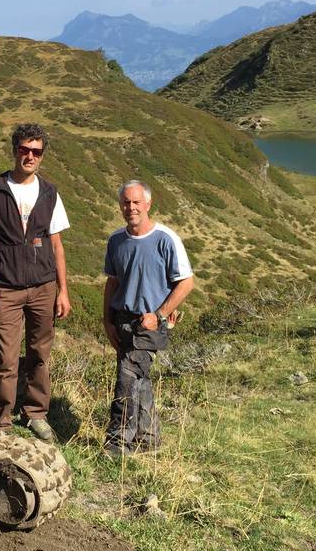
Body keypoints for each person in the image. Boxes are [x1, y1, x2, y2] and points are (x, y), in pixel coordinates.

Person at [0, 123, 72, 442]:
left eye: (36, 151)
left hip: (43, 287)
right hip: (6, 288)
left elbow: (57, 244)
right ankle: (2, 420)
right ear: (14, 151)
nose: (29, 156)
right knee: (7, 357)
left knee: (39, 353)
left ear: (42, 156)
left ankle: (36, 414)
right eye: (24, 149)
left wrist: (63, 291)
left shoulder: (50, 193)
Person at [102, 180, 193, 456]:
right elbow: (112, 283)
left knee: (127, 376)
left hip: (149, 322)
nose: (131, 207)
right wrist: (107, 321)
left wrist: (159, 315)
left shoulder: (166, 238)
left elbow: (186, 282)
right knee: (138, 378)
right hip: (122, 319)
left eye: (136, 202)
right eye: (126, 202)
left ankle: (119, 443)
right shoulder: (116, 240)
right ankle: (148, 437)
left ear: (148, 204)